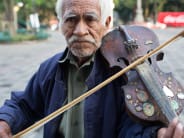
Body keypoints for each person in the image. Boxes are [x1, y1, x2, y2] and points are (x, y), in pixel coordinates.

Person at [0, 0, 183, 137]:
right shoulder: (50, 68)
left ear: (107, 22)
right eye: (71, 19)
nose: (80, 30)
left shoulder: (125, 75)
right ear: (61, 23)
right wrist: (5, 121)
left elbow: (132, 130)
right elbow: (23, 105)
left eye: (90, 19)